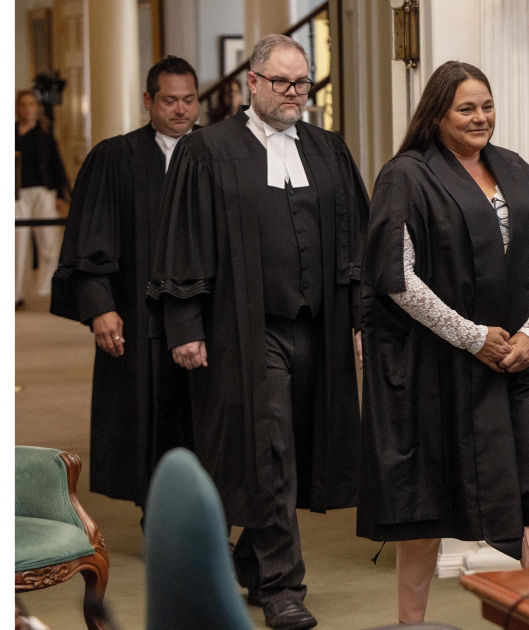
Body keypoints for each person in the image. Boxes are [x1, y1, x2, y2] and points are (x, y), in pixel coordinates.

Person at [357, 61, 529, 624]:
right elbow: (398, 276)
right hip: (440, 370)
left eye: (486, 105)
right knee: (426, 508)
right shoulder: (407, 175)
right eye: (466, 108)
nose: (480, 117)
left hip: (519, 366)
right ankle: (410, 625)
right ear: (437, 113)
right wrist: (471, 337)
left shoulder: (513, 167)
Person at [148, 34, 368, 630]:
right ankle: (282, 587)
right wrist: (184, 325)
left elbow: (354, 242)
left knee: (296, 448)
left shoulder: (327, 150)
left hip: (315, 331)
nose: (294, 93)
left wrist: (358, 320)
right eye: (282, 83)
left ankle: (249, 554)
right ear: (253, 83)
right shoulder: (209, 150)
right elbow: (183, 241)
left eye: (303, 83)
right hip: (243, 332)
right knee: (268, 450)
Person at [50, 56, 201, 511]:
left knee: (206, 417)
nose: (180, 110)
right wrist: (99, 305)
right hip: (137, 314)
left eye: (189, 100)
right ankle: (156, 513)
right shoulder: (116, 157)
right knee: (146, 416)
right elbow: (89, 239)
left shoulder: (218, 153)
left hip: (207, 317)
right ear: (148, 101)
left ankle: (207, 514)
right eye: (170, 100)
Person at [15, 89, 70, 307]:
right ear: (18, 108)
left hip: (44, 191)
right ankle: (14, 293)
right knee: (17, 243)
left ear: (36, 109)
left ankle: (47, 288)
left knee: (49, 241)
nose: (27, 108)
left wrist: (60, 194)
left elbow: (56, 164)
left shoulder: (44, 135)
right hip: (17, 194)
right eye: (23, 104)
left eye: (31, 104)